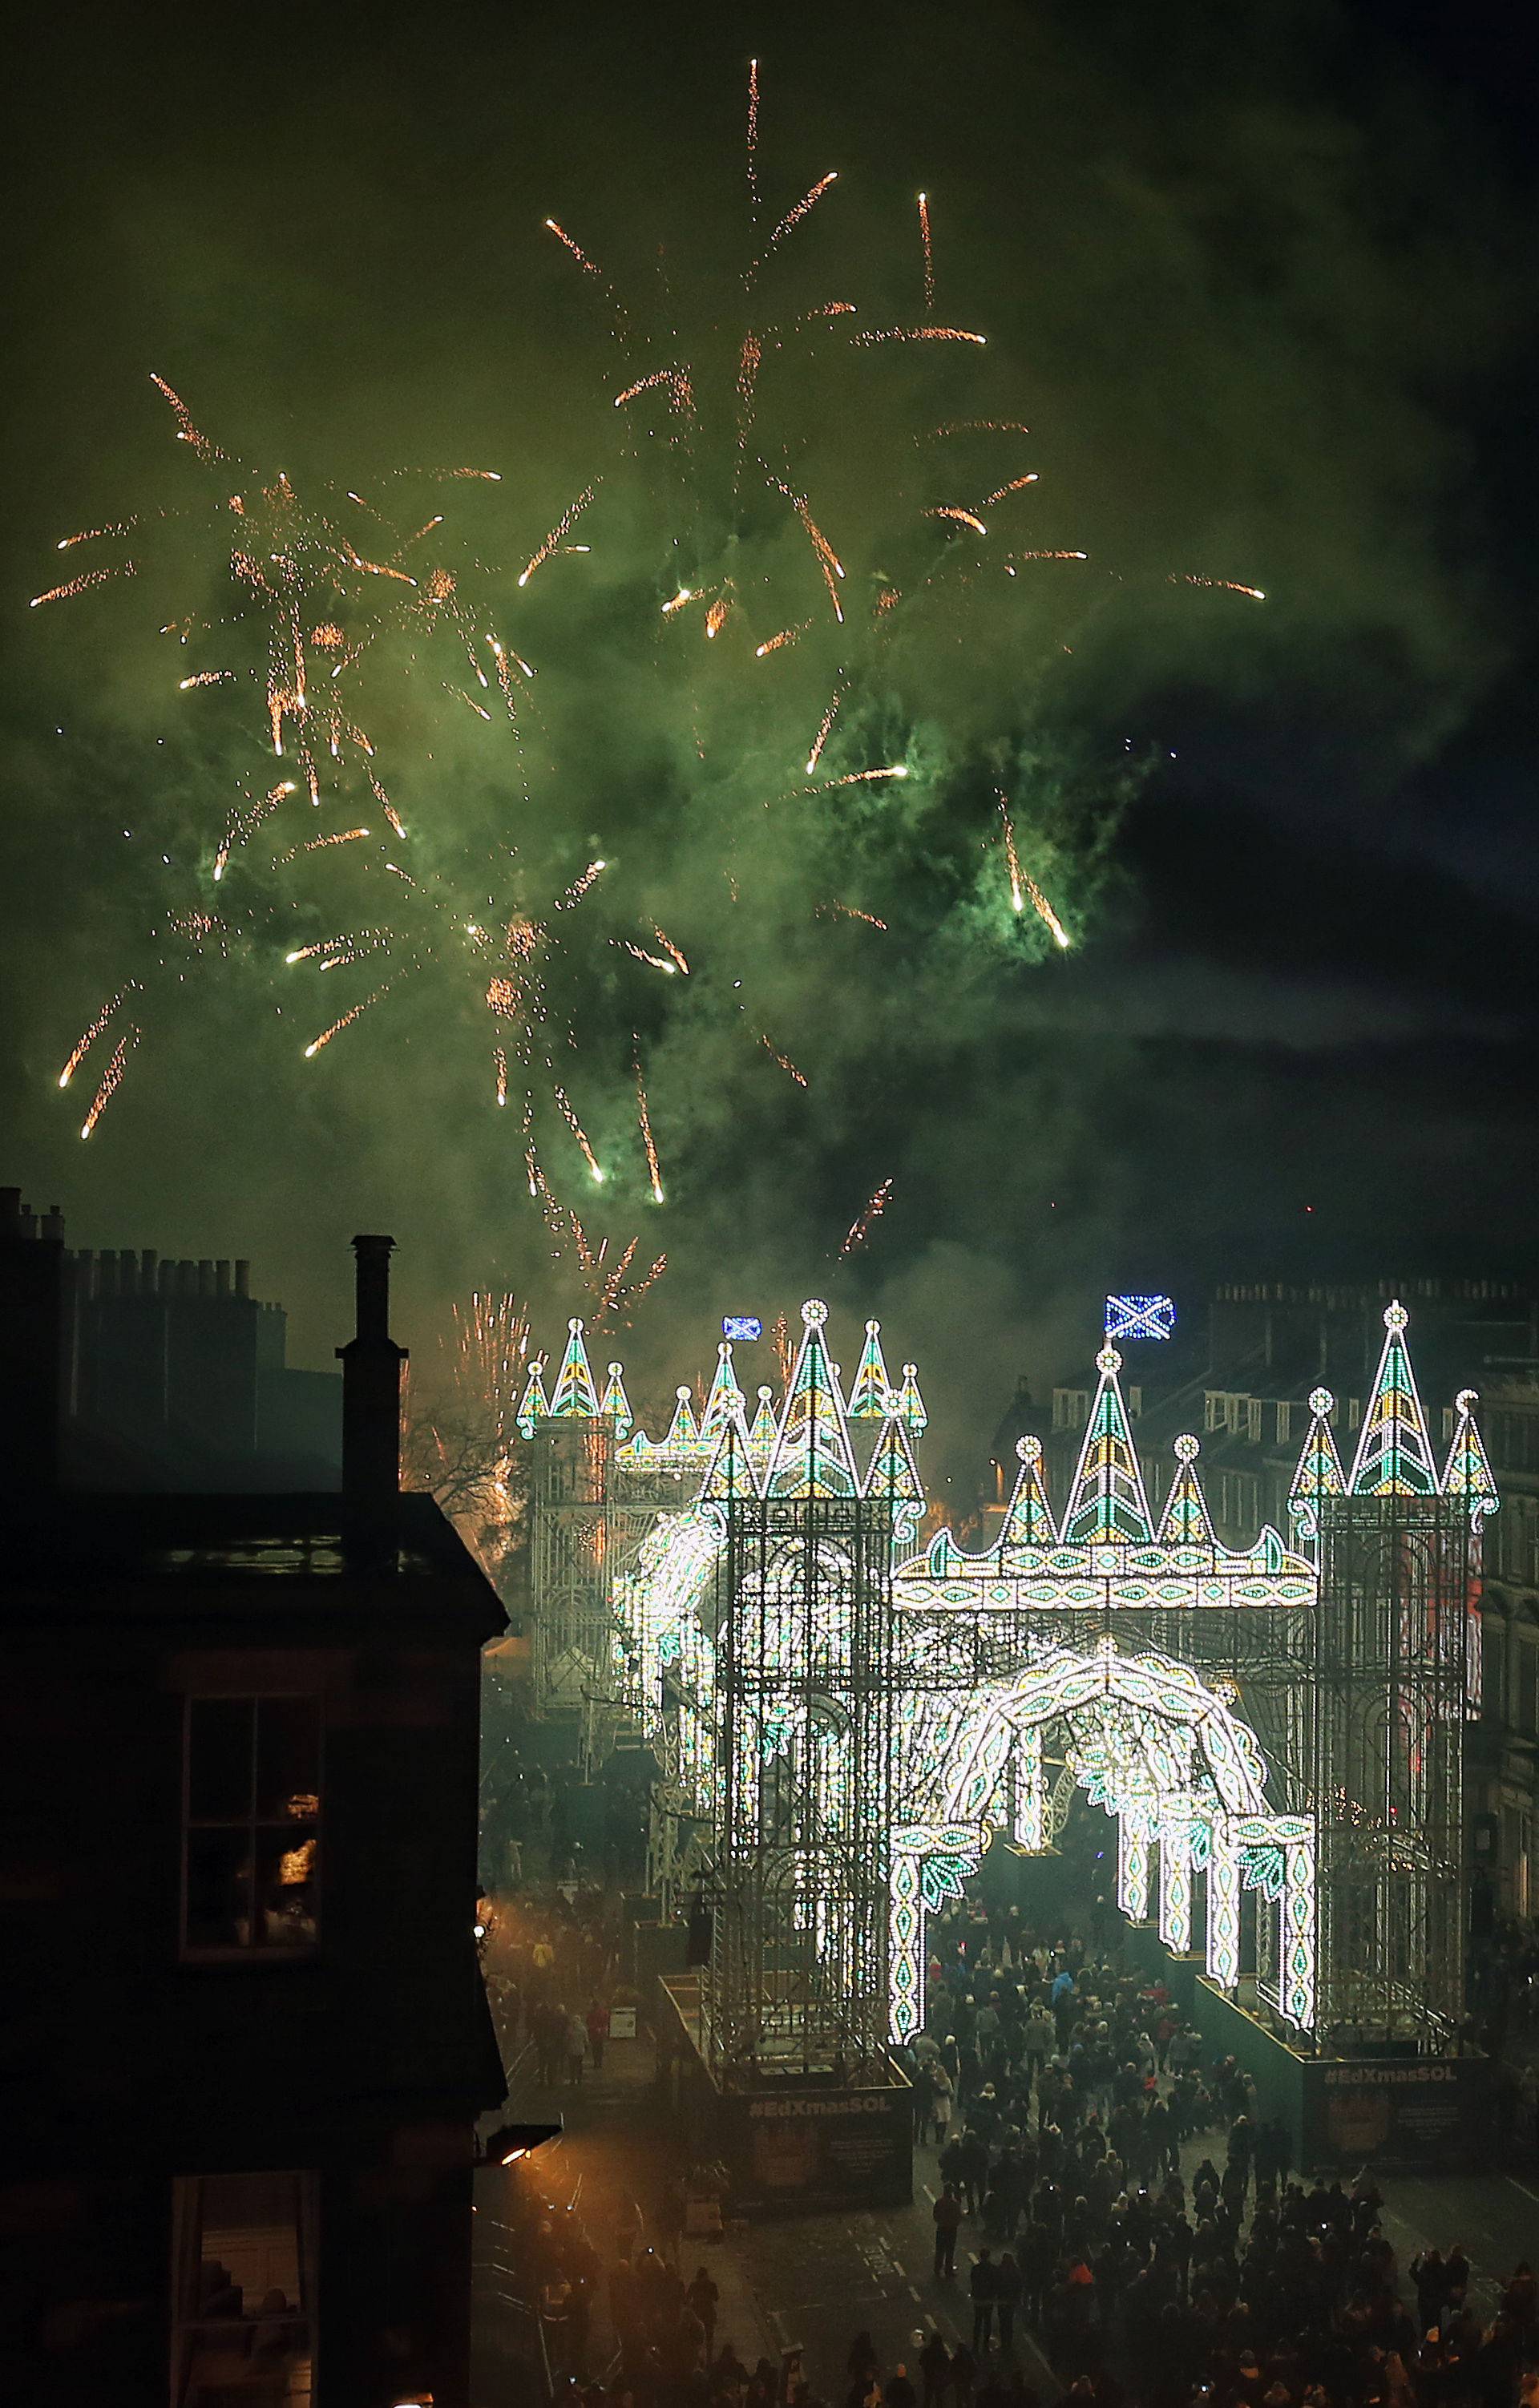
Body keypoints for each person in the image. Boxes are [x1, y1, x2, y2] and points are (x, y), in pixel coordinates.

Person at [687, 2265, 719, 2359]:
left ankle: (697, 2357)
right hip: (709, 2313)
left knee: (696, 2338)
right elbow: (716, 2297)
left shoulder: (694, 2285)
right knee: (709, 2337)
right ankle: (709, 2358)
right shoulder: (711, 2285)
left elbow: (688, 2298)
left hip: (697, 2313)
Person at [994, 2250, 1022, 2355]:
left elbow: (995, 2284)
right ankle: (1008, 2343)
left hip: (1002, 2300)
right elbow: (1019, 2286)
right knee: (1009, 2322)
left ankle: (1003, 2343)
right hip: (1011, 2301)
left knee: (1002, 2322)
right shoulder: (1016, 2271)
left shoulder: (1000, 2270)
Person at [971, 2248, 998, 2353]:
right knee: (987, 2322)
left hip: (978, 2299)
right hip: (989, 2299)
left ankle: (975, 2345)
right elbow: (996, 2283)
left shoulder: (976, 2269)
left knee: (978, 2322)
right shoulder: (993, 2269)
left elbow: (973, 2281)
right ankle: (985, 2345)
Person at [934, 2184, 963, 2281]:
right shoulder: (955, 2204)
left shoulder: (939, 2202)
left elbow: (935, 2216)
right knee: (950, 2251)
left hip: (941, 2229)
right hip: (951, 2230)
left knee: (940, 2250)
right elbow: (958, 2218)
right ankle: (948, 2270)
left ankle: (937, 2268)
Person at [585, 1998, 610, 2071]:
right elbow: (606, 2021)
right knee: (600, 2048)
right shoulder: (603, 2012)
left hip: (593, 2034)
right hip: (601, 2033)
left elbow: (588, 2022)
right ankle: (599, 2063)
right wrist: (602, 2028)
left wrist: (593, 2028)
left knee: (595, 2049)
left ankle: (596, 2063)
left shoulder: (591, 2013)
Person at [565, 2007, 588, 2087]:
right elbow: (586, 2040)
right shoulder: (583, 2029)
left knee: (572, 2066)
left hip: (571, 2051)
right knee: (579, 2065)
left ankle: (572, 2079)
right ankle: (579, 2079)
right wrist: (586, 2047)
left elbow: (566, 2040)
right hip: (580, 2050)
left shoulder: (569, 2030)